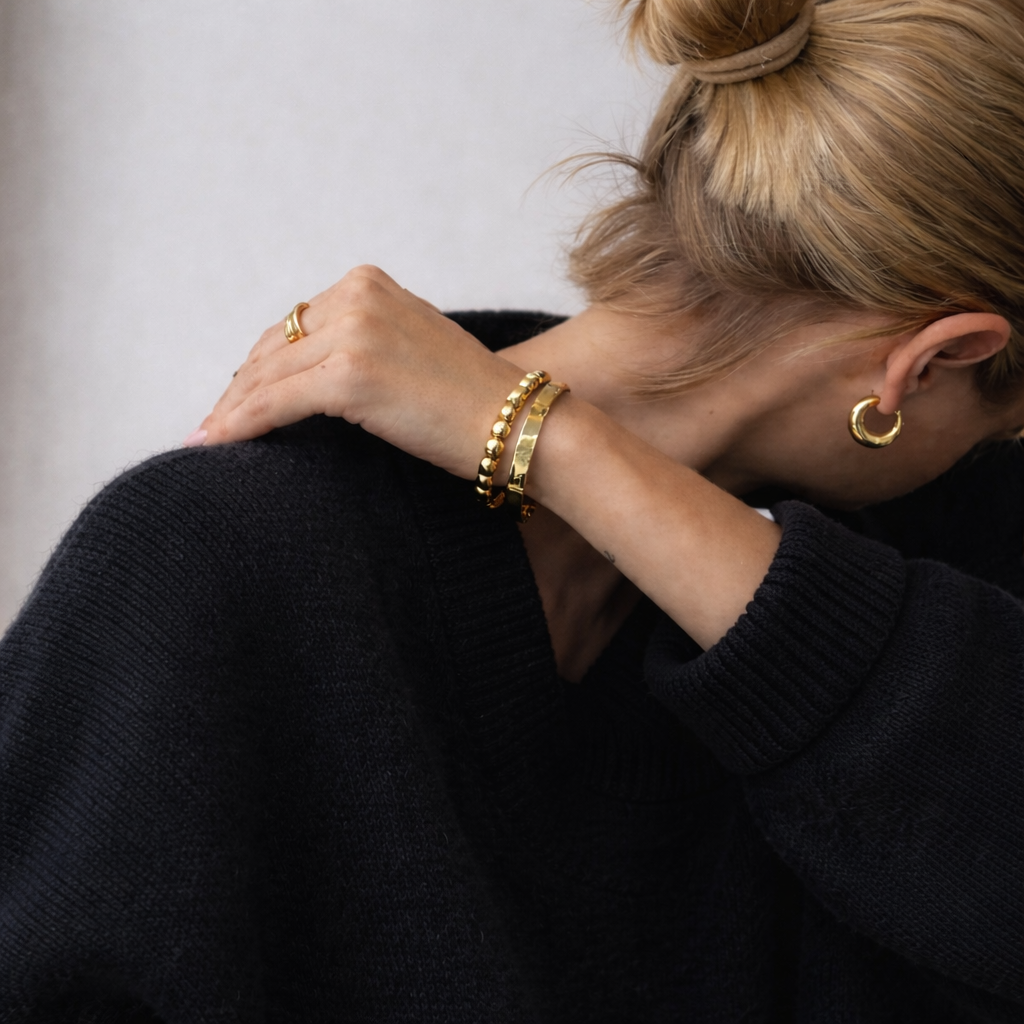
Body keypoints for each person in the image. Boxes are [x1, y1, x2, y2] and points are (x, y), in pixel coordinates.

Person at [1, 0, 1021, 1020]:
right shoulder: (214, 560)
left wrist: (560, 445)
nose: (996, 456)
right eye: (1007, 427)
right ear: (931, 363)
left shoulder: (919, 579)